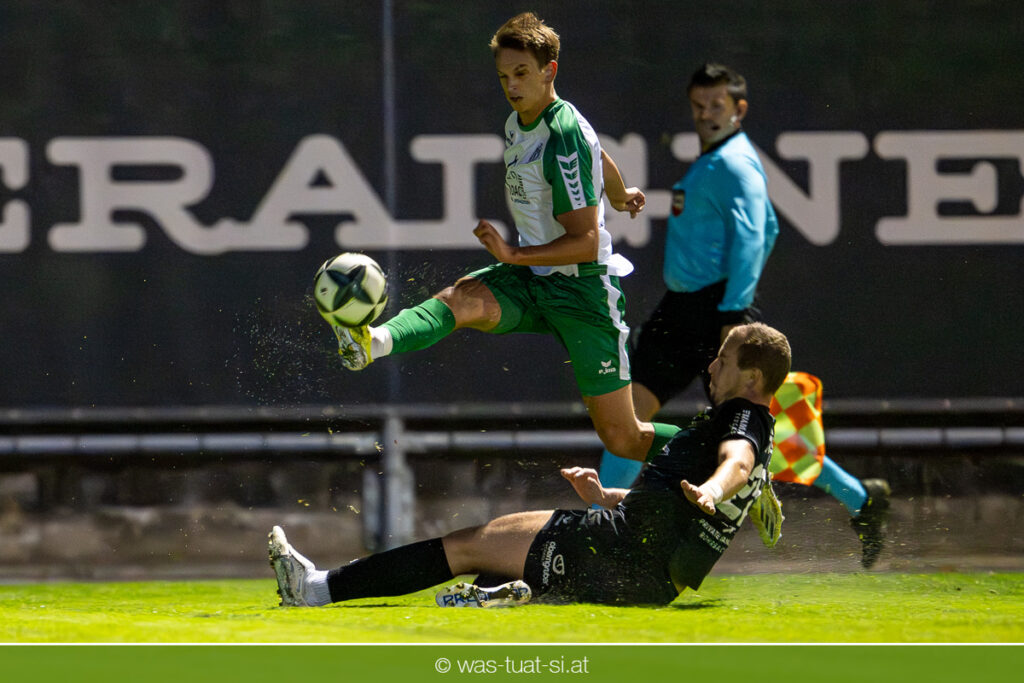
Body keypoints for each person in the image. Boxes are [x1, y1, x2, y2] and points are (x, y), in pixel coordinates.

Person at [329, 12, 678, 464]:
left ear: (549, 71)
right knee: (461, 298)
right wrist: (618, 190)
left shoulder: (563, 134)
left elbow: (588, 241)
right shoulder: (519, 122)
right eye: (503, 76)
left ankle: (725, 456)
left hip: (583, 290)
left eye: (521, 73)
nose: (511, 85)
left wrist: (512, 254)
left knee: (623, 438)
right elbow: (598, 151)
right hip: (535, 277)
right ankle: (369, 342)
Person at [269, 323, 791, 608]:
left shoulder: (742, 420)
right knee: (498, 562)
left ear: (752, 379)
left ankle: (315, 589)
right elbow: (679, 508)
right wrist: (607, 497)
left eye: (724, 360)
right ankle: (514, 596)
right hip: (647, 581)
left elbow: (736, 462)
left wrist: (715, 489)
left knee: (465, 546)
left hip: (612, 546)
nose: (711, 366)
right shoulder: (740, 427)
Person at [596, 62, 890, 568]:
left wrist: (732, 312)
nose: (706, 114)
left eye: (718, 105)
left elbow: (755, 237)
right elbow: (769, 227)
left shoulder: (735, 164)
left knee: (745, 431)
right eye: (699, 105)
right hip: (680, 312)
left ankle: (862, 500)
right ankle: (600, 527)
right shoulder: (718, 161)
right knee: (627, 417)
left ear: (739, 110)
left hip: (716, 311)